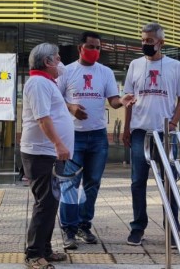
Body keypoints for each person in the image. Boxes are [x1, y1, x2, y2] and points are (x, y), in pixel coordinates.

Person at [121, 22, 180, 246]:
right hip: (140, 130)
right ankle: (138, 227)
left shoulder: (174, 66)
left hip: (165, 132)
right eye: (143, 40)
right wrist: (126, 128)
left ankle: (172, 227)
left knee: (169, 180)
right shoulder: (135, 65)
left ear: (161, 42)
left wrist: (173, 122)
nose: (145, 44)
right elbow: (128, 99)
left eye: (149, 41)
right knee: (137, 181)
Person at [57, 31, 127, 249]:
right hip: (73, 136)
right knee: (70, 183)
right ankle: (68, 228)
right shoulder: (66, 71)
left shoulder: (105, 72)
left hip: (98, 136)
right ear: (81, 47)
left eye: (98, 48)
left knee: (92, 184)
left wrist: (124, 100)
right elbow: (56, 100)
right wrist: (71, 108)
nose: (95, 51)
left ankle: (84, 225)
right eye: (92, 47)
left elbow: (113, 101)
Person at [20, 43, 74, 269]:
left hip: (49, 153)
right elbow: (43, 118)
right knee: (45, 203)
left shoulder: (46, 83)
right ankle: (34, 254)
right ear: (47, 62)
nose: (61, 62)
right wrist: (58, 144)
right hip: (42, 153)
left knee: (51, 203)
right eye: (57, 58)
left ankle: (45, 249)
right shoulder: (38, 83)